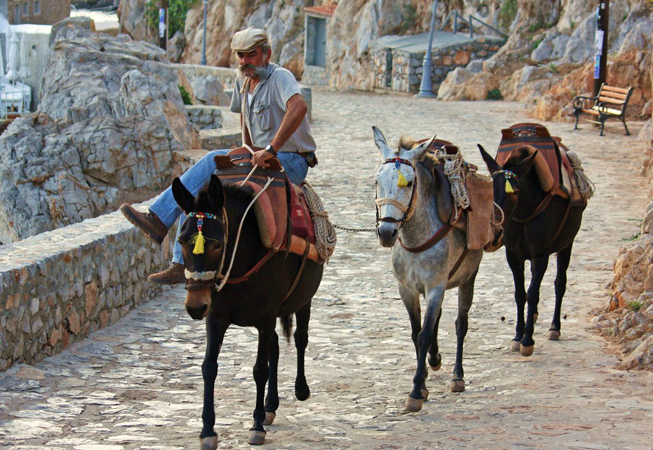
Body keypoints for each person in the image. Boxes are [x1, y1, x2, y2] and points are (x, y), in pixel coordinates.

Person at [120, 27, 317, 284]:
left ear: (267, 54)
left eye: (251, 55)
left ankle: (159, 218)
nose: (245, 62)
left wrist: (271, 150)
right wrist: (245, 150)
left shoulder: (280, 78)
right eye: (240, 56)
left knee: (212, 159)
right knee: (201, 186)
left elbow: (298, 106)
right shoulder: (243, 81)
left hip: (291, 159)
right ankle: (180, 261)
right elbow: (244, 118)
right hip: (256, 157)